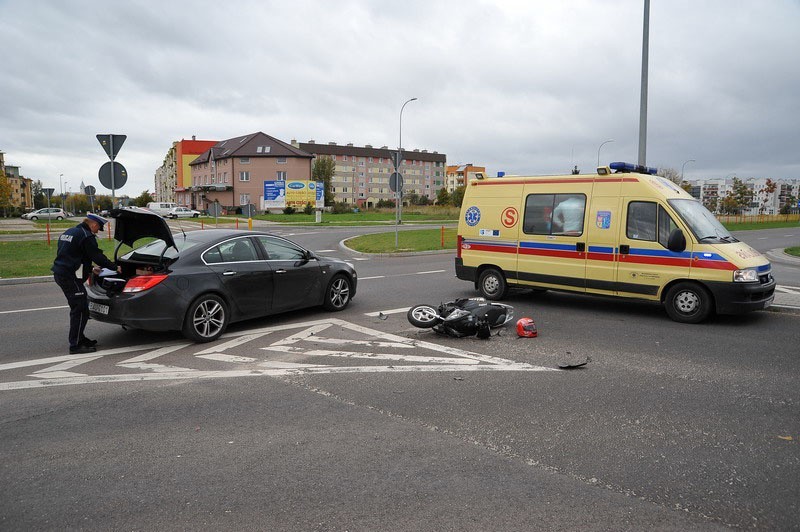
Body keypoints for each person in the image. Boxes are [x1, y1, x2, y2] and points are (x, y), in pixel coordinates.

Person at [52, 213, 119, 354]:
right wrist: (115, 267)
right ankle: (75, 345)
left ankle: (80, 339)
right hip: (69, 276)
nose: (97, 231)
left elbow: (74, 255)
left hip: (62, 272)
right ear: (93, 224)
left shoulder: (71, 232)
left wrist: (90, 269)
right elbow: (97, 256)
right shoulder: (86, 236)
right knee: (80, 309)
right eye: (98, 229)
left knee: (81, 308)